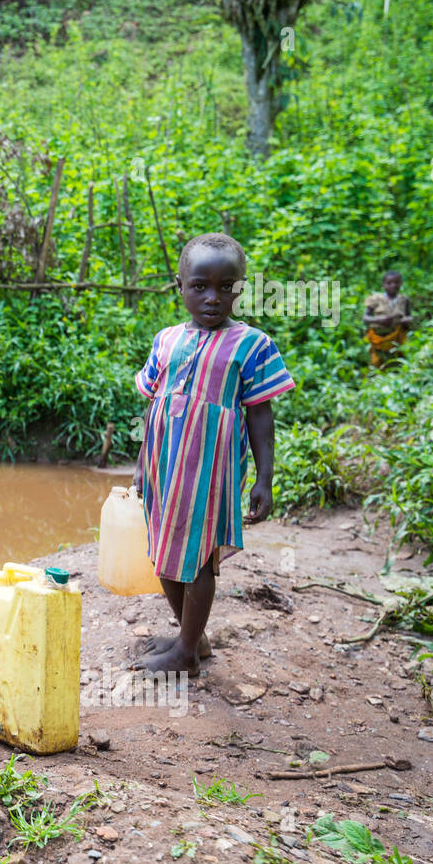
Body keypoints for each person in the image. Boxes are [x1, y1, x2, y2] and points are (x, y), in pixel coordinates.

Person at [130, 233, 296, 676]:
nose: (212, 297)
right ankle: (193, 637)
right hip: (164, 467)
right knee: (162, 552)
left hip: (213, 471)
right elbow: (153, 403)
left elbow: (260, 414)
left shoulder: (253, 345)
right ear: (179, 286)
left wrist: (265, 478)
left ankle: (185, 654)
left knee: (200, 557)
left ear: (240, 289)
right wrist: (142, 466)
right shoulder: (166, 340)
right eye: (200, 285)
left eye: (227, 287)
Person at [363, 270, 414, 368]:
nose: (393, 285)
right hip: (378, 339)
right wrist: (379, 320)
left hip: (397, 339)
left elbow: (409, 316)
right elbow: (365, 318)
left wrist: (406, 320)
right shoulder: (376, 299)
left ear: (400, 283)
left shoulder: (403, 300)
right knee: (376, 365)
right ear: (383, 285)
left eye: (396, 282)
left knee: (396, 364)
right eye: (389, 283)